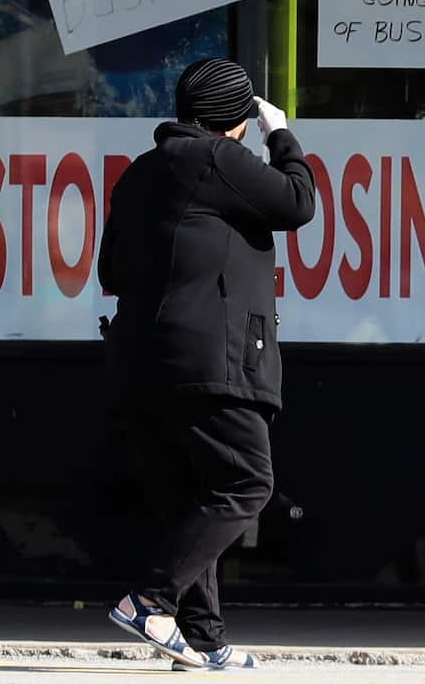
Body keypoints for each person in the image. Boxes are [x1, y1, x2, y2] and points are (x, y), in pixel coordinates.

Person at [98, 58, 315, 671]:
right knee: (247, 482)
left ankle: (203, 639)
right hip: (207, 359)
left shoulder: (140, 174)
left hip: (142, 361)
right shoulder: (219, 158)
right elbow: (298, 203)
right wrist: (282, 134)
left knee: (189, 497)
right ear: (234, 119)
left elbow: (110, 272)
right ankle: (149, 601)